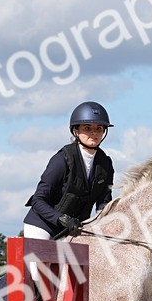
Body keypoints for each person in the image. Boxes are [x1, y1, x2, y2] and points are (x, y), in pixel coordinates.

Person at [22, 101, 115, 239]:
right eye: (88, 128)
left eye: (99, 128)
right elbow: (38, 200)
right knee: (39, 261)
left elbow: (104, 203)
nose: (94, 133)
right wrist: (61, 218)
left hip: (72, 230)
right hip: (42, 226)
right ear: (76, 131)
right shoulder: (62, 159)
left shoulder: (105, 163)